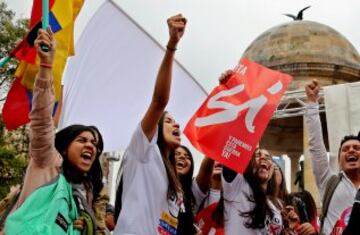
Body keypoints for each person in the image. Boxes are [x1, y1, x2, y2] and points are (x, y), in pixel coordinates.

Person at [4, 28, 106, 234]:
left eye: (94, 144)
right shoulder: (48, 162)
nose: (90, 146)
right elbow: (42, 120)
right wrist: (46, 65)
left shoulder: (86, 193)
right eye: (82, 140)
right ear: (65, 148)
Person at [113, 14, 187, 235]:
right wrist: (172, 46)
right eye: (170, 122)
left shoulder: (173, 176)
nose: (177, 127)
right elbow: (159, 101)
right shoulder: (143, 151)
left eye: (177, 123)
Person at [304, 79, 360, 234]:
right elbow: (316, 147)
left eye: (357, 148)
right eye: (345, 149)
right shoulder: (329, 182)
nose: (351, 151)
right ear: (340, 159)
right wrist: (311, 103)